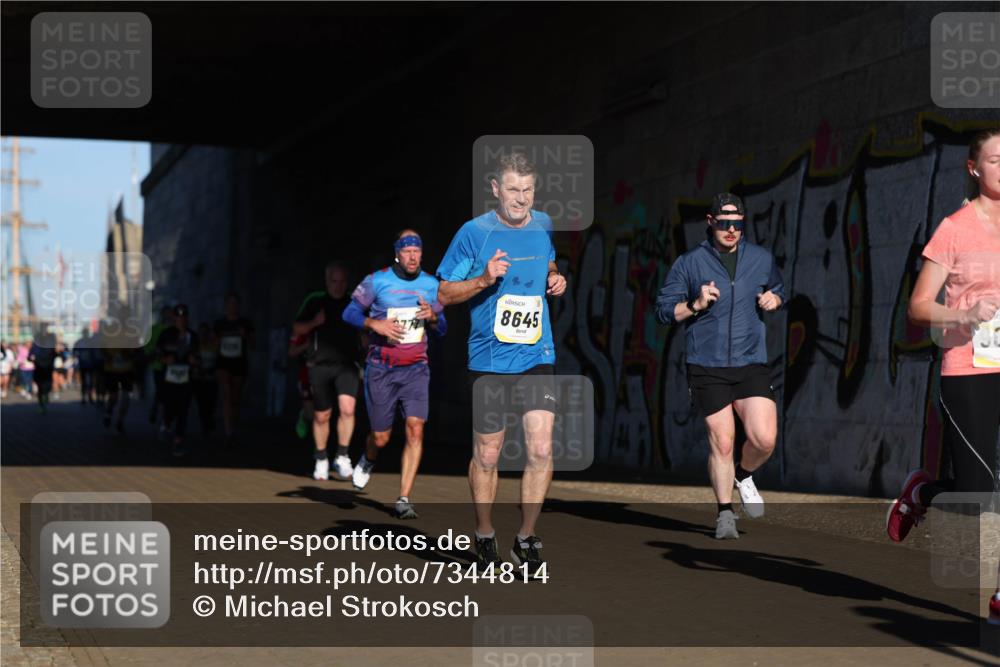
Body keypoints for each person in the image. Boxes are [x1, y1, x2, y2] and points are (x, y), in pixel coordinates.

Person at [885, 128, 1000, 625]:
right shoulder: (954, 228)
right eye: (996, 159)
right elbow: (917, 306)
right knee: (980, 494)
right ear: (974, 169)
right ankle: (923, 493)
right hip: (967, 369)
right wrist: (963, 314)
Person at [436, 152, 566, 575]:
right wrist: (484, 279)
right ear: (495, 189)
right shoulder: (473, 234)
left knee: (542, 445)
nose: (521, 199)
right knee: (489, 453)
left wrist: (554, 277)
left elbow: (548, 259)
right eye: (513, 190)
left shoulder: (543, 224)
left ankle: (526, 538)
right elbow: (443, 294)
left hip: (537, 353)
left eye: (528, 191)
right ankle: (485, 533)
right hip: (489, 359)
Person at [655, 192, 785, 540]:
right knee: (723, 442)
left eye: (738, 224)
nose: (731, 230)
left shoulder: (760, 258)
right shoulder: (689, 263)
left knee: (764, 439)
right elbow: (665, 311)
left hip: (750, 362)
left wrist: (776, 298)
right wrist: (695, 304)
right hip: (707, 365)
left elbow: (777, 286)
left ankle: (743, 474)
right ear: (711, 223)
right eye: (724, 223)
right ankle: (724, 513)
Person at [343, 230, 447, 519]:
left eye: (417, 251)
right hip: (381, 369)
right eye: (407, 251)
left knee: (415, 428)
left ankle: (403, 497)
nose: (413, 256)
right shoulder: (376, 281)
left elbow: (442, 330)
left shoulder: (430, 285)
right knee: (381, 436)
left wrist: (434, 318)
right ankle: (368, 457)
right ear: (397, 254)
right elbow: (348, 313)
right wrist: (374, 325)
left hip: (416, 369)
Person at [293, 262, 362, 481]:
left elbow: (367, 325)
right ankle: (321, 457)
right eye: (334, 281)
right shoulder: (314, 301)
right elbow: (296, 328)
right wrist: (315, 322)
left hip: (347, 365)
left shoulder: (355, 301)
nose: (338, 286)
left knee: (347, 408)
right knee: (322, 415)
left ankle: (342, 456)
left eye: (342, 281)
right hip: (320, 365)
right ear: (327, 281)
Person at [157, 304, 201, 457]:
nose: (181, 320)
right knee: (170, 408)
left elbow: (198, 356)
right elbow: (157, 354)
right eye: (178, 317)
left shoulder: (193, 336)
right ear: (174, 318)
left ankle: (178, 441)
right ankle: (166, 424)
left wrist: (194, 361)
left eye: (184, 317)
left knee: (183, 410)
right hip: (169, 379)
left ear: (187, 318)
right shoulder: (166, 334)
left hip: (186, 378)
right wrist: (165, 359)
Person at [214, 294, 255, 446]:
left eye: (235, 303)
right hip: (223, 363)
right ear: (226, 305)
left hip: (239, 363)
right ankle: (228, 431)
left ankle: (233, 427)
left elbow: (253, 345)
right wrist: (219, 339)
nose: (233, 306)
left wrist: (245, 336)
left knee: (236, 397)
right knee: (226, 394)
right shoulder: (220, 323)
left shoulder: (245, 323)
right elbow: (213, 344)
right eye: (230, 303)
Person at [101, 337, 138, 434]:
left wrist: (129, 354)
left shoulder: (131, 333)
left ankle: (120, 421)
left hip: (127, 371)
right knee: (114, 396)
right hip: (111, 371)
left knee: (126, 397)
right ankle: (108, 413)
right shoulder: (109, 331)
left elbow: (137, 350)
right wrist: (107, 357)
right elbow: (101, 348)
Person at [146, 306, 173, 429]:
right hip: (158, 366)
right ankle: (160, 413)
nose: (168, 316)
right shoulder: (155, 329)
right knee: (161, 391)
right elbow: (148, 347)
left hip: (173, 366)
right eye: (166, 313)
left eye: (170, 314)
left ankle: (161, 413)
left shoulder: (176, 329)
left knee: (168, 393)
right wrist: (153, 354)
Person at [289, 332, 314, 440]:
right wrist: (307, 345)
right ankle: (304, 415)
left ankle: (320, 445)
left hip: (326, 373)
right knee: (310, 413)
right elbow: (291, 352)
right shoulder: (303, 330)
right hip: (306, 375)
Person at [196, 323, 219, 438]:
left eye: (206, 332)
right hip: (200, 380)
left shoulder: (214, 346)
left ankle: (209, 420)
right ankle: (204, 425)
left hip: (212, 379)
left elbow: (219, 361)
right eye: (202, 332)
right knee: (202, 404)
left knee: (211, 402)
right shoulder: (196, 346)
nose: (204, 335)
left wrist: (210, 370)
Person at [28, 331, 58, 413]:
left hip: (44, 369)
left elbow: (56, 355)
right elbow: (29, 357)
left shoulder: (37, 346)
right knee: (43, 386)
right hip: (42, 369)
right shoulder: (38, 347)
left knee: (43, 387)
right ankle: (42, 403)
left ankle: (43, 402)